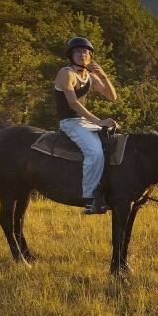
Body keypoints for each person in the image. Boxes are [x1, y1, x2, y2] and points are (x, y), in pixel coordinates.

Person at [54, 36, 118, 214]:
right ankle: (90, 198)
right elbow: (73, 103)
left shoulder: (90, 76)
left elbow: (112, 97)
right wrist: (99, 121)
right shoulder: (66, 73)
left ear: (91, 56)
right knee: (95, 152)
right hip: (69, 122)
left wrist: (103, 75)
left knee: (114, 141)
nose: (82, 54)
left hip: (84, 122)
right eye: (78, 51)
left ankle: (106, 188)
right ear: (71, 55)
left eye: (85, 51)